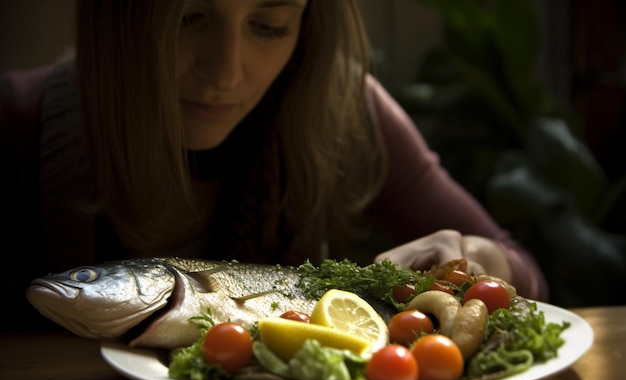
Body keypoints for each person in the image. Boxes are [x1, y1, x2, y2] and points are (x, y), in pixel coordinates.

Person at [0, 0, 548, 330]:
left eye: (269, 25)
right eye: (189, 17)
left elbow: (529, 278)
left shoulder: (345, 111)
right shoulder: (19, 122)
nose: (226, 71)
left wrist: (482, 258)